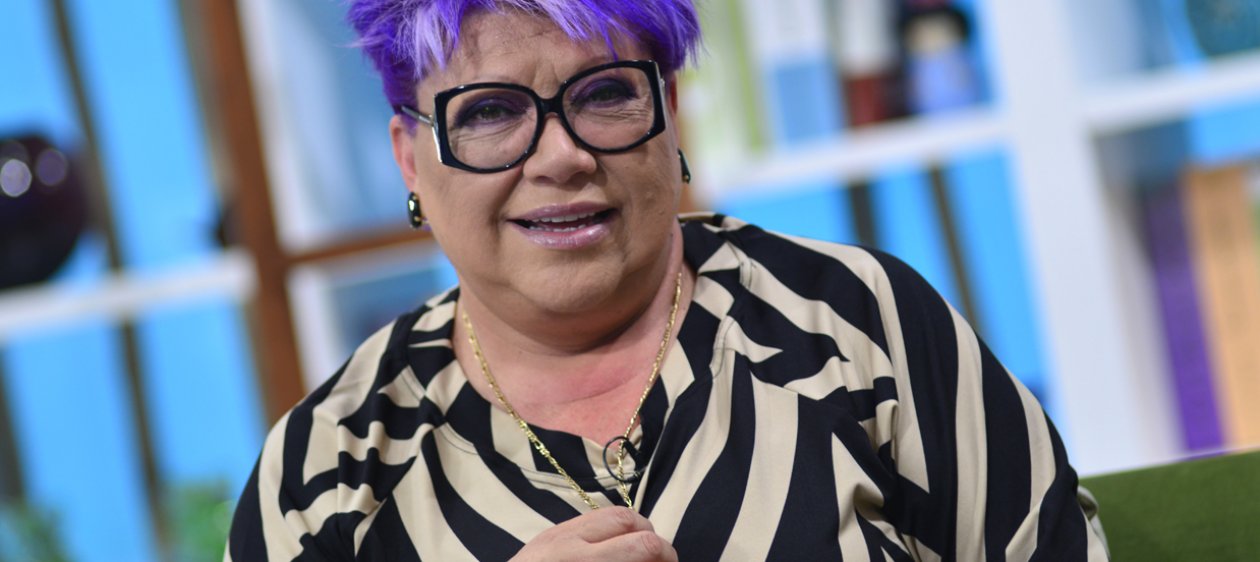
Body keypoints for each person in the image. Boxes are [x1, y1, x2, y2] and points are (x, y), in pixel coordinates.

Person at [226, 0, 1109, 560]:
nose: (562, 156)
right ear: (410, 158)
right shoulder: (328, 469)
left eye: (606, 94)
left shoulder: (856, 320)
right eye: (490, 112)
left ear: (671, 113)